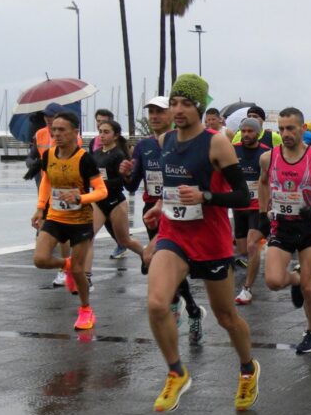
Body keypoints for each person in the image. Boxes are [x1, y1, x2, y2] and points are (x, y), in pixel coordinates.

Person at [142, 74, 259, 413]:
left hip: (211, 241)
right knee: (156, 304)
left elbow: (240, 195)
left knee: (226, 317)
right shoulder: (165, 141)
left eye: (185, 103)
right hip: (174, 235)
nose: (177, 109)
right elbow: (173, 186)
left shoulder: (216, 143)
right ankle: (176, 372)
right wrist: (160, 207)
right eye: (174, 102)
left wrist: (205, 195)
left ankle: (248, 368)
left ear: (199, 106)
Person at [119, 96, 205, 343]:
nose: (154, 116)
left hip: (183, 210)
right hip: (154, 212)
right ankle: (189, 308)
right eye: (151, 112)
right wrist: (125, 174)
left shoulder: (185, 142)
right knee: (165, 265)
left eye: (160, 111)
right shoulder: (144, 146)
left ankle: (183, 305)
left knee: (173, 266)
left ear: (173, 114)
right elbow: (133, 184)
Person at [260, 107, 311, 354]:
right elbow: (262, 183)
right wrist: (264, 212)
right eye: (281, 129)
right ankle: (294, 279)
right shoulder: (268, 158)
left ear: (303, 129)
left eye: (290, 128)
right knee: (273, 281)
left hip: (309, 229)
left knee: (310, 287)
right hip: (281, 227)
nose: (285, 133)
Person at [31, 111, 107, 330]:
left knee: (78, 270)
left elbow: (101, 191)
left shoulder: (85, 159)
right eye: (54, 129)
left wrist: (80, 198)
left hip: (80, 220)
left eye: (61, 130)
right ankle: (65, 263)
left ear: (75, 132)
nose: (56, 134)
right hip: (55, 216)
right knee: (40, 260)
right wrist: (39, 208)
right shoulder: (49, 155)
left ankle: (85, 309)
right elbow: (46, 181)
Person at [29, 102, 83, 287]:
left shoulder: (71, 135)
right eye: (45, 115)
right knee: (45, 229)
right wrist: (33, 162)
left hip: (67, 190)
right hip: (46, 185)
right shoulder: (40, 133)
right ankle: (67, 264)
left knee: (64, 234)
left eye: (51, 115)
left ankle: (66, 269)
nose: (47, 119)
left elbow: (78, 156)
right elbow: (33, 154)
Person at [85, 119, 144, 281]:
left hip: (116, 202)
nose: (102, 136)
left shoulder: (119, 155)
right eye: (100, 132)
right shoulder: (96, 154)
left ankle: (146, 255)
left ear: (116, 135)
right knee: (87, 236)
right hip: (98, 202)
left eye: (106, 132)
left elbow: (121, 182)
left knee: (124, 240)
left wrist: (101, 183)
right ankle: (86, 276)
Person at [232, 117, 272, 304]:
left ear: (258, 133)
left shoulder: (265, 153)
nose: (246, 134)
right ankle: (253, 264)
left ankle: (247, 288)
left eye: (250, 131)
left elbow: (271, 180)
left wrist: (269, 205)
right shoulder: (234, 150)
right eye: (244, 131)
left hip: (257, 206)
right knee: (242, 251)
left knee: (251, 246)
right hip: (239, 206)